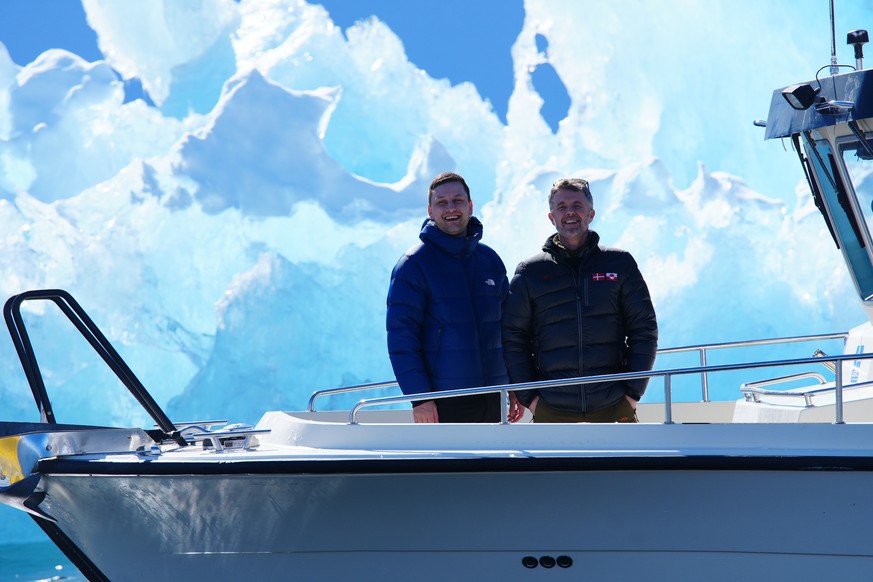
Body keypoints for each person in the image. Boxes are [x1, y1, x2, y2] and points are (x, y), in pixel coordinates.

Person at [502, 177, 658, 423]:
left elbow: (644, 329)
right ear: (551, 217)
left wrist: (632, 393)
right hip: (551, 409)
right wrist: (530, 398)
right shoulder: (530, 272)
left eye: (577, 205)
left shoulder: (620, 264)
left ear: (591, 213)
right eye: (561, 207)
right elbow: (513, 337)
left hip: (614, 405)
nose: (570, 212)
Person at [386, 172, 514, 423]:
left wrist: (515, 387)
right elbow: (402, 337)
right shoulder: (414, 265)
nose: (451, 208)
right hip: (445, 400)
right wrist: (420, 397)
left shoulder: (489, 261)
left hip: (494, 396)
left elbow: (509, 330)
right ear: (430, 211)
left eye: (457, 200)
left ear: (470, 206)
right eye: (442, 202)